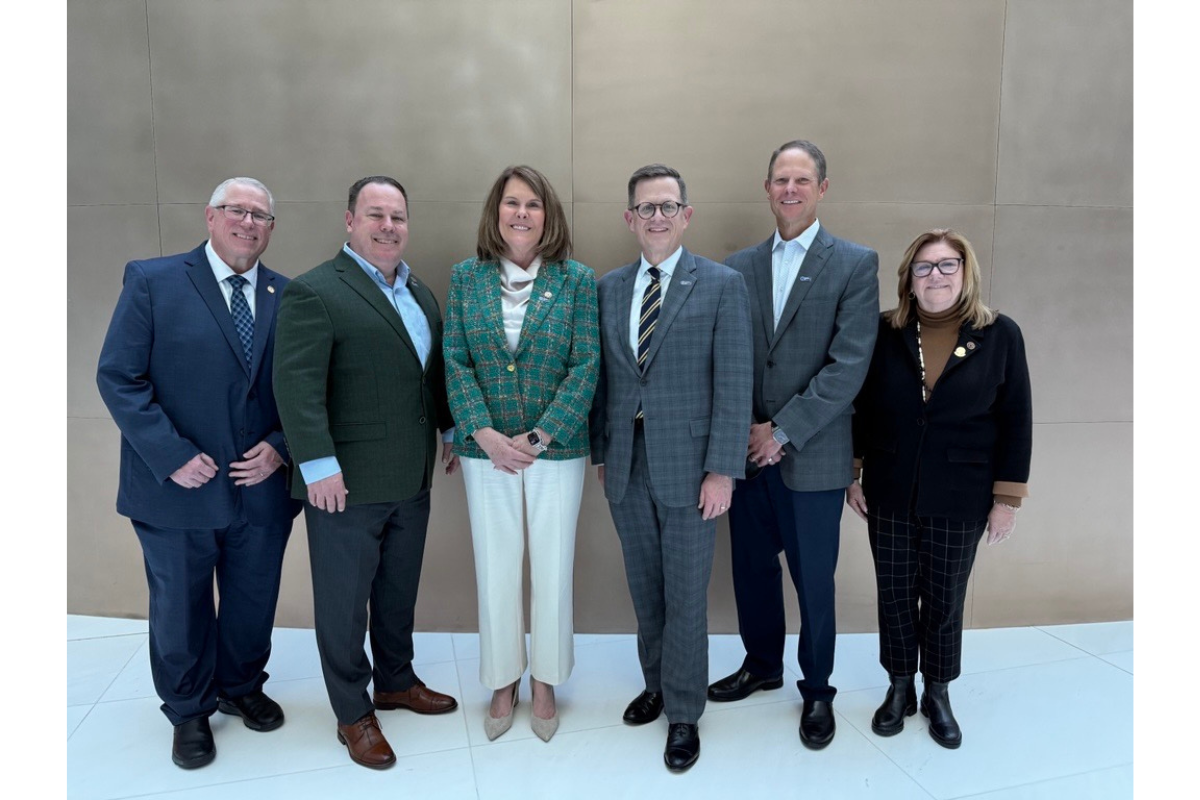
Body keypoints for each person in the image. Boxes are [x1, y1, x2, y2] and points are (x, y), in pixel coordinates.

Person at [96, 177, 301, 769]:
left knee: (252, 599)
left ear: (270, 229)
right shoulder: (153, 281)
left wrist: (281, 446)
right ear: (210, 217)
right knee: (181, 607)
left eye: (261, 215)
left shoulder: (286, 295)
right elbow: (119, 378)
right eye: (237, 210)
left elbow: (302, 388)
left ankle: (240, 688)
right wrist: (172, 455)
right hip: (176, 491)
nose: (249, 222)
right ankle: (188, 710)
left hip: (259, 489)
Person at [272, 176, 460, 770]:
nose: (388, 226)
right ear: (349, 220)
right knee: (344, 603)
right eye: (375, 215)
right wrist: (318, 466)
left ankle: (396, 682)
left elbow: (430, 377)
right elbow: (296, 388)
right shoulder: (315, 291)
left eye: (398, 217)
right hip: (343, 486)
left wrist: (451, 431)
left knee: (397, 592)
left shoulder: (421, 294)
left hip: (411, 478)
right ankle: (352, 713)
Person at [711, 140, 879, 750]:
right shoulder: (736, 266)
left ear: (822, 188)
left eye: (802, 179)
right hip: (747, 456)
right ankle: (761, 665)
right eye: (780, 178)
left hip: (812, 455)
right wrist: (749, 435)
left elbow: (849, 365)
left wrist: (781, 431)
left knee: (814, 580)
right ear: (767, 186)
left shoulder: (855, 263)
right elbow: (729, 358)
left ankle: (816, 690)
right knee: (752, 572)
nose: (790, 189)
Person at [589, 163, 752, 772]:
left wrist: (723, 470)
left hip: (693, 471)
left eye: (668, 207)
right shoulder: (607, 289)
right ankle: (657, 683)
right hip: (626, 469)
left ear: (686, 215)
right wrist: (604, 453)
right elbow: (603, 382)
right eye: (645, 208)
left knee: (685, 594)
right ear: (629, 218)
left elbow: (735, 384)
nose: (657, 217)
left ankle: (684, 712)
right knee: (645, 588)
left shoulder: (721, 284)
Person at [846, 228, 1031, 749]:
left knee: (945, 598)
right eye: (924, 267)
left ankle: (938, 692)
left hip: (962, 493)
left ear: (965, 272)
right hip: (890, 488)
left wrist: (1006, 499)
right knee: (896, 594)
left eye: (947, 265)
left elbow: (1016, 418)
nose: (936, 276)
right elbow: (862, 407)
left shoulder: (1000, 335)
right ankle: (899, 687)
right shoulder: (884, 332)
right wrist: (853, 471)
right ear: (908, 278)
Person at [443, 165, 600, 743]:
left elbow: (587, 365)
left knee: (553, 568)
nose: (522, 213)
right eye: (512, 203)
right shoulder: (467, 278)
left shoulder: (577, 280)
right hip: (486, 453)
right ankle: (503, 679)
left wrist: (540, 437)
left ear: (548, 215)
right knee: (497, 567)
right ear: (496, 212)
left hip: (555, 452)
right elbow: (454, 360)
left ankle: (546, 680)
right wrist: (481, 433)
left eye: (533, 204)